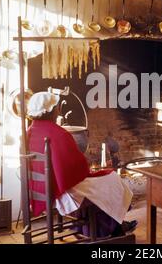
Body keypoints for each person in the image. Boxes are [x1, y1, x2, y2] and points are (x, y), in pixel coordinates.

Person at [26, 91, 137, 237]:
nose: (59, 110)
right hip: (61, 191)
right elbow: (76, 170)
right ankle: (112, 228)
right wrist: (86, 165)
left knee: (104, 184)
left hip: (41, 189)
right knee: (112, 180)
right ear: (51, 110)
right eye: (57, 107)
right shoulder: (58, 133)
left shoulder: (29, 132)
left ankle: (110, 226)